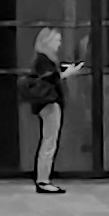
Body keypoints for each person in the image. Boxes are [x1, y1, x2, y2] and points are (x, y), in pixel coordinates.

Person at [24, 26, 73, 194]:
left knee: (49, 140)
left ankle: (43, 178)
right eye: (57, 40)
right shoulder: (43, 60)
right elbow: (50, 79)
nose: (59, 44)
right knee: (49, 141)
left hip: (46, 104)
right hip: (49, 103)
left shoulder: (43, 59)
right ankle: (43, 180)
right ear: (48, 41)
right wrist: (66, 74)